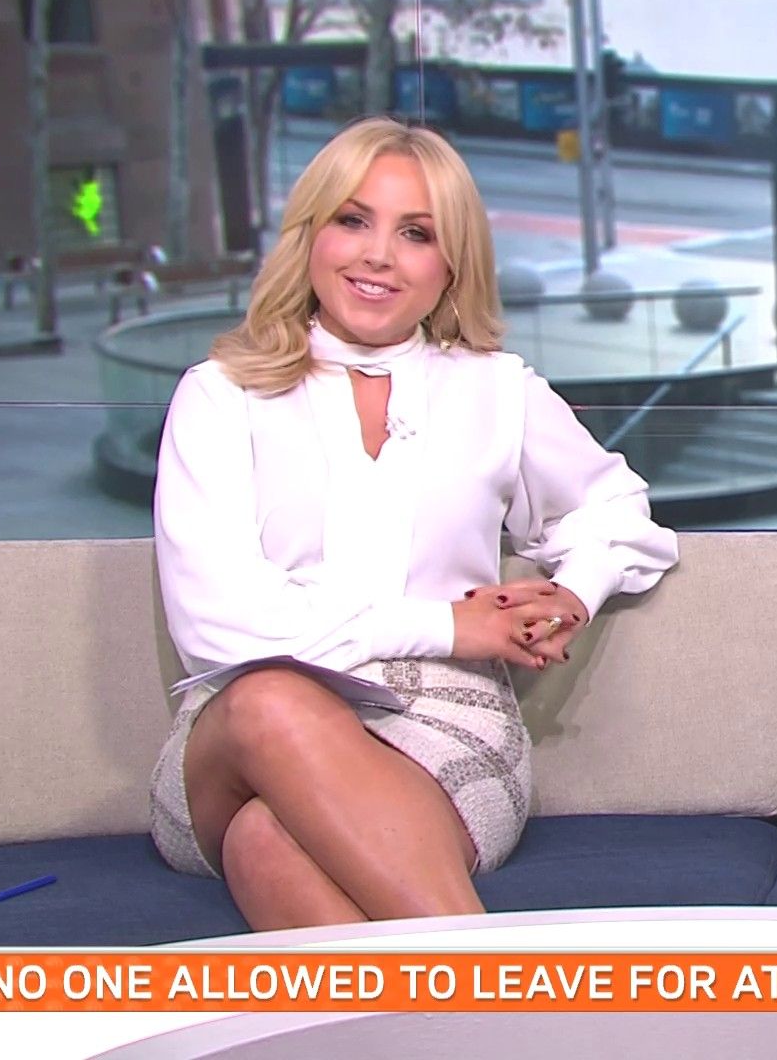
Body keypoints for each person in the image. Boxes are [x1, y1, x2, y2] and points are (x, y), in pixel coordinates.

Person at [147, 116, 678, 930]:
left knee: (265, 842)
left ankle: (453, 1000)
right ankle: (494, 985)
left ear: (450, 263)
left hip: (443, 724)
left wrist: (574, 592)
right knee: (270, 700)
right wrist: (451, 627)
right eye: (353, 220)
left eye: (416, 234)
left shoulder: (496, 390)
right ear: (311, 235)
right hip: (238, 738)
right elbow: (219, 622)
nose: (377, 256)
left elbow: (616, 510)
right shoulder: (221, 395)